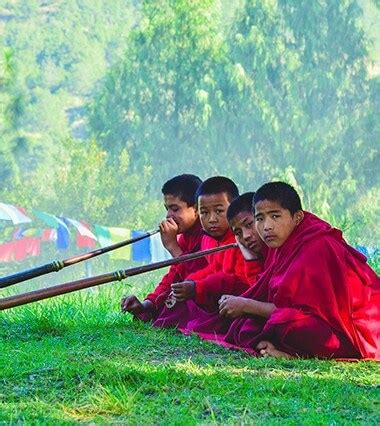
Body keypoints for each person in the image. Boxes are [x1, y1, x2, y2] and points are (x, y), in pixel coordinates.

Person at [157, 182, 380, 360]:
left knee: (284, 324)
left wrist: (246, 305)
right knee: (246, 326)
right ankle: (285, 348)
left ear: (297, 217)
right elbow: (267, 291)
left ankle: (291, 355)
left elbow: (313, 315)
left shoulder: (317, 246)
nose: (266, 227)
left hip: (357, 328)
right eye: (260, 219)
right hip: (305, 319)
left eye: (275, 216)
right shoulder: (281, 244)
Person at [154, 176, 250, 321]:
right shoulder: (208, 238)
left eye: (219, 211)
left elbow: (241, 281)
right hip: (219, 296)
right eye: (205, 212)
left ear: (194, 210)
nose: (212, 219)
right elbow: (208, 270)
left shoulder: (243, 239)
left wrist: (173, 247)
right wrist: (150, 302)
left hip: (242, 300)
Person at [121, 174, 206, 320]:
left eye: (175, 209)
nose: (168, 216)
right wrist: (146, 304)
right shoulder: (186, 236)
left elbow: (199, 277)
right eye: (167, 209)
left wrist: (173, 246)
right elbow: (173, 277)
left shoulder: (208, 234)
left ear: (197, 209)